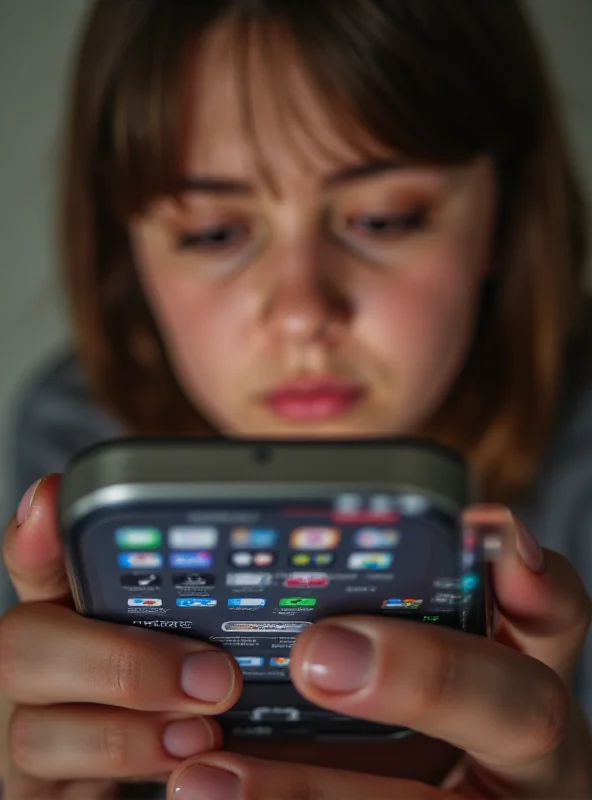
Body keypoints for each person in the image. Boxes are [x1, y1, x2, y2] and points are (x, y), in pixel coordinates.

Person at [1, 0, 591, 797]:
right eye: (214, 232)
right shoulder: (68, 436)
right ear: (129, 252)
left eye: (383, 219)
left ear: (506, 216)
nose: (303, 313)